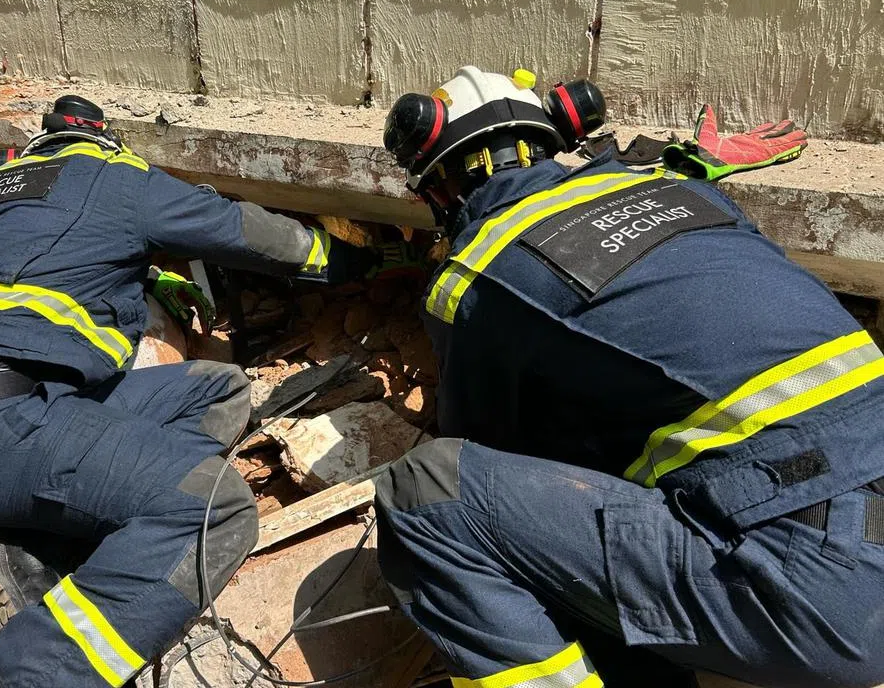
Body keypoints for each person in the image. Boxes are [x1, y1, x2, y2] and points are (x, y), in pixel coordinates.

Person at [374, 66, 884, 688]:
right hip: (851, 511)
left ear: (439, 188)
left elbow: (482, 450)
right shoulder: (682, 191)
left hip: (830, 596)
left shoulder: (472, 275)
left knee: (430, 496)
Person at [0, 95, 371, 687]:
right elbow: (246, 231)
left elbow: (41, 263)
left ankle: (87, 521)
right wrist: (356, 260)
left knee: (218, 389)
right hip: (1, 428)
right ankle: (14, 675)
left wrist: (141, 275)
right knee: (214, 507)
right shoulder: (112, 173)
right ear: (104, 139)